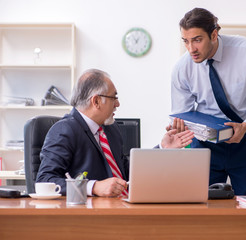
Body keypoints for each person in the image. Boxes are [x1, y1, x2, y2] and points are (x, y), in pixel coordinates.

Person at [171, 8, 246, 195]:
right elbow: (184, 113)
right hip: (205, 145)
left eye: (197, 40)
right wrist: (179, 128)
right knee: (201, 207)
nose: (191, 49)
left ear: (214, 34)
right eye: (186, 41)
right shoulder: (182, 68)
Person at [36, 69, 194, 197]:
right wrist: (94, 187)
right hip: (91, 216)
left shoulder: (111, 128)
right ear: (96, 101)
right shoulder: (64, 130)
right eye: (114, 98)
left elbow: (126, 171)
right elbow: (45, 181)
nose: (118, 104)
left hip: (123, 206)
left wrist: (162, 149)